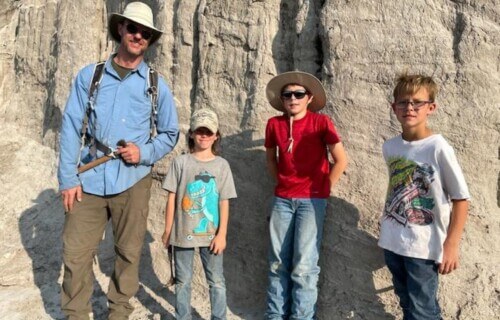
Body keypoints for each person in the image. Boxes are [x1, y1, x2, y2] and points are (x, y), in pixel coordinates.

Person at [58, 2, 179, 319]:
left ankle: (119, 312)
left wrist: (144, 153)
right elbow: (71, 127)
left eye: (146, 33)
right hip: (89, 179)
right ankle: (76, 314)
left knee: (128, 254)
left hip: (133, 181)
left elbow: (170, 132)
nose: (139, 35)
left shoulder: (155, 84)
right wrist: (68, 179)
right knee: (76, 254)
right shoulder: (91, 76)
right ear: (121, 28)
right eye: (133, 28)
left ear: (150, 39)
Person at [378, 74, 470, 319]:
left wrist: (451, 246)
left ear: (431, 107)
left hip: (424, 246)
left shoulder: (438, 147)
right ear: (393, 107)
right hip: (392, 242)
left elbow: (461, 199)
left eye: (417, 102)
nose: (410, 107)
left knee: (423, 311)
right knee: (408, 304)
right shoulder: (390, 147)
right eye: (403, 102)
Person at [264, 71, 348, 319]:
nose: (293, 98)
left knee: (304, 267)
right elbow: (270, 158)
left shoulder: (321, 123)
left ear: (309, 98)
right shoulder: (274, 124)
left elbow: (341, 160)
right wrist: (280, 182)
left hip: (312, 202)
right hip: (282, 200)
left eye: (298, 94)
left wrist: (323, 189)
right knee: (276, 263)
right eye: (287, 94)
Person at [161, 108, 237, 320]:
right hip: (182, 231)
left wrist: (222, 234)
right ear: (192, 134)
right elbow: (171, 198)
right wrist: (168, 230)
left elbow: (224, 202)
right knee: (183, 281)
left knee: (216, 281)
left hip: (212, 234)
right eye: (199, 131)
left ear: (216, 136)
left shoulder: (222, 166)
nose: (204, 135)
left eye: (208, 132)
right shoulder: (180, 163)